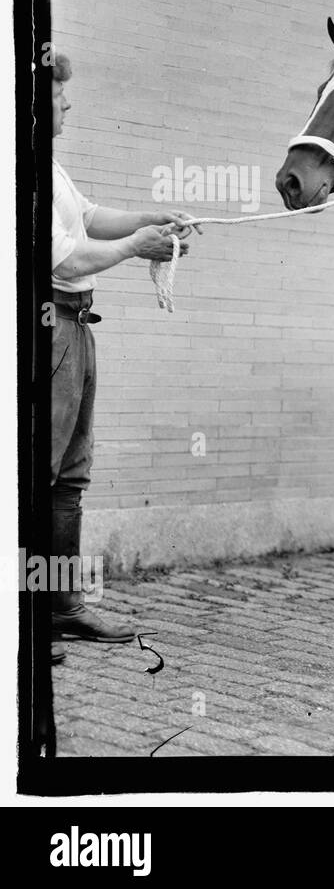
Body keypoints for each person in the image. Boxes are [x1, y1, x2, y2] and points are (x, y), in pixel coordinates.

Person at [49, 51, 193, 663]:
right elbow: (66, 259)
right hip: (47, 323)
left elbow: (87, 219)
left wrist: (147, 218)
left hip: (76, 328)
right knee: (39, 475)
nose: (68, 104)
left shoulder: (47, 167)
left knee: (70, 476)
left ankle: (59, 608)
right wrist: (138, 245)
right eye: (58, 96)